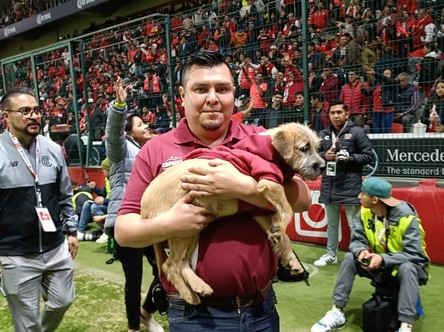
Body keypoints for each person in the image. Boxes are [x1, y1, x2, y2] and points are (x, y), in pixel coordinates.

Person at [114, 51, 311, 331]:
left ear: (234, 93)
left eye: (222, 89)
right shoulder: (155, 150)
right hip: (194, 315)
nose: (213, 98)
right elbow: (124, 231)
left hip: (261, 310)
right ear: (182, 95)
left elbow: (302, 198)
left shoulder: (257, 138)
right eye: (200, 89)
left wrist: (240, 187)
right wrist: (170, 223)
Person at [0, 87, 78, 331]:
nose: (34, 116)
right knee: (28, 322)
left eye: (36, 111)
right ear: (6, 116)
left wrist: (72, 231)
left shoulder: (52, 149)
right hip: (17, 254)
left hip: (55, 247)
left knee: (63, 301)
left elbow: (65, 195)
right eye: (25, 111)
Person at [311, 177, 429, 332]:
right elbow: (356, 240)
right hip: (381, 264)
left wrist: (382, 258)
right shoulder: (366, 212)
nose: (359, 196)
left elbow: (415, 254)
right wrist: (362, 251)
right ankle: (336, 312)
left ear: (374, 199)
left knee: (407, 268)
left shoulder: (406, 217)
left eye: (363, 193)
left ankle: (405, 325)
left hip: (410, 267)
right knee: (349, 258)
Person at [104, 77, 163, 332]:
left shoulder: (150, 151)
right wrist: (119, 105)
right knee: (134, 280)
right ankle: (133, 328)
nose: (146, 125)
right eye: (140, 123)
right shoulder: (119, 149)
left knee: (165, 270)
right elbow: (113, 132)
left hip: (148, 221)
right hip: (125, 221)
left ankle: (146, 311)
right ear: (128, 132)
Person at [314, 101, 373, 267]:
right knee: (332, 225)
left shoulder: (357, 132)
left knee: (354, 225)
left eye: (339, 112)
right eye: (332, 113)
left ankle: (357, 255)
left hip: (350, 185)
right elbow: (316, 154)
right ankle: (331, 255)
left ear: (347, 114)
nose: (336, 116)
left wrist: (350, 158)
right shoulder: (324, 133)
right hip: (329, 184)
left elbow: (369, 156)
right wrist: (325, 155)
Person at [77, 158, 110, 241]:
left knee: (95, 207)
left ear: (109, 170)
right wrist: (95, 188)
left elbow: (120, 200)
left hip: (114, 206)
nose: (102, 171)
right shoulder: (107, 179)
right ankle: (80, 232)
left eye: (104, 169)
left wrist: (104, 201)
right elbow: (104, 193)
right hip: (109, 204)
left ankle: (107, 232)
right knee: (87, 204)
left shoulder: (117, 180)